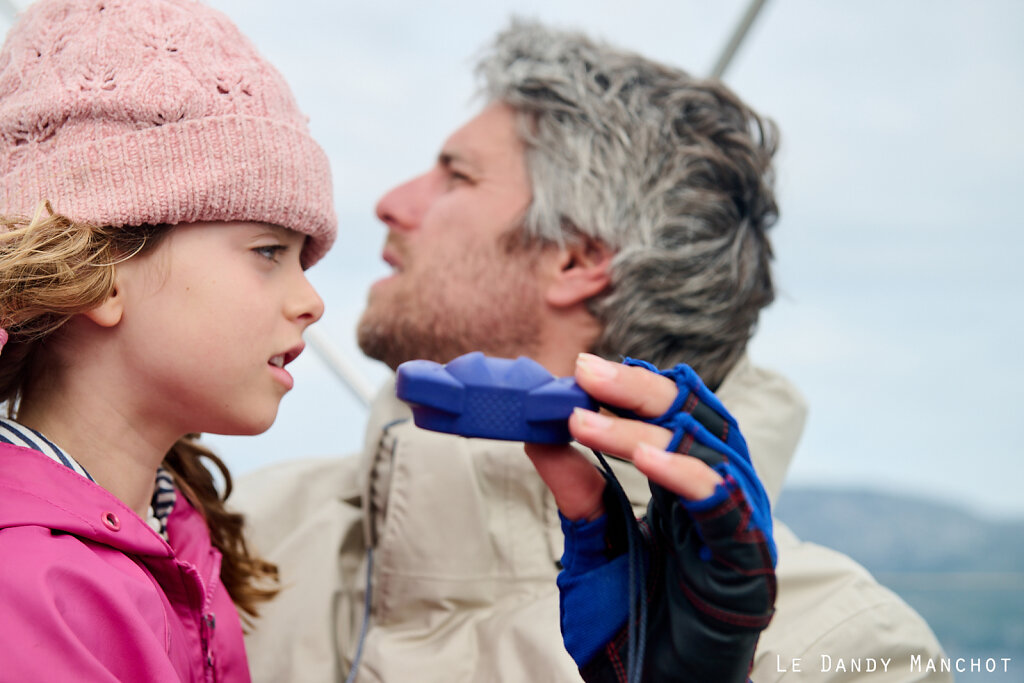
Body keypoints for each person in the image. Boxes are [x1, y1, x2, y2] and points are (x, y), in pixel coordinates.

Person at [235, 19, 951, 682]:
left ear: (577, 259)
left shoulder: (853, 646)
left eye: (457, 175)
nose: (391, 201)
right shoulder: (232, 532)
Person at [0, 0, 335, 679]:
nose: (311, 301)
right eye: (269, 251)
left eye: (305, 259)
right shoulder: (26, 582)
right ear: (99, 273)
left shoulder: (176, 533)